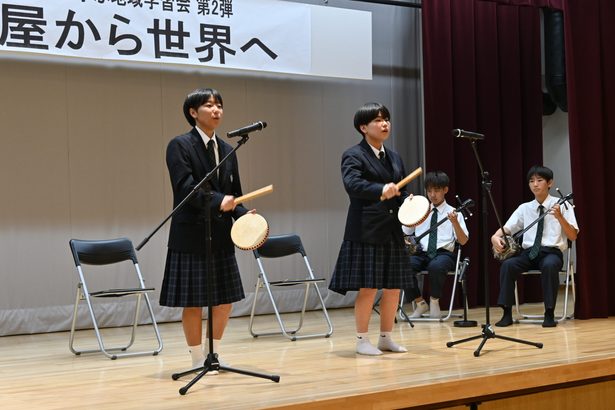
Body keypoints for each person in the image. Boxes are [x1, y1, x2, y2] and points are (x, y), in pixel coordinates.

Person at [159, 88, 250, 370]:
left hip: (221, 234)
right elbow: (186, 189)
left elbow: (234, 193)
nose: (216, 110)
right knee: (194, 303)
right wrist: (219, 200)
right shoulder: (180, 145)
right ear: (192, 112)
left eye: (219, 105)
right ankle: (197, 357)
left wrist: (245, 217)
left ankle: (215, 356)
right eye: (209, 105)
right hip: (191, 234)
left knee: (225, 301)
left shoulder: (227, 148)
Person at [329, 102, 414, 356]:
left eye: (386, 119)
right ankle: (362, 339)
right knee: (369, 287)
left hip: (392, 230)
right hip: (366, 229)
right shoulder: (353, 155)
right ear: (363, 127)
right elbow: (352, 185)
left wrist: (410, 205)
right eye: (378, 120)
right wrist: (380, 190)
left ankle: (386, 337)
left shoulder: (395, 157)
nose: (385, 123)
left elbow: (401, 190)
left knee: (393, 287)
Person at [491, 165, 578, 328]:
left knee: (550, 265)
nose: (535, 184)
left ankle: (549, 313)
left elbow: (573, 235)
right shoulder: (525, 208)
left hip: (551, 252)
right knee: (508, 265)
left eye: (539, 180)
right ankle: (506, 313)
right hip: (528, 253)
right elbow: (507, 228)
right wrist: (495, 237)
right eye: (531, 181)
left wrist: (559, 217)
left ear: (550, 183)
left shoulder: (562, 205)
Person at [402, 171, 469, 319]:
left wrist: (455, 222)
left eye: (437, 190)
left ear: (445, 190)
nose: (432, 194)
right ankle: (420, 304)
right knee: (403, 265)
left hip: (444, 254)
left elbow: (463, 240)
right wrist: (409, 208)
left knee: (436, 267)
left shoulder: (453, 211)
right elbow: (406, 231)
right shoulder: (421, 211)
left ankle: (434, 302)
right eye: (429, 190)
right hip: (421, 252)